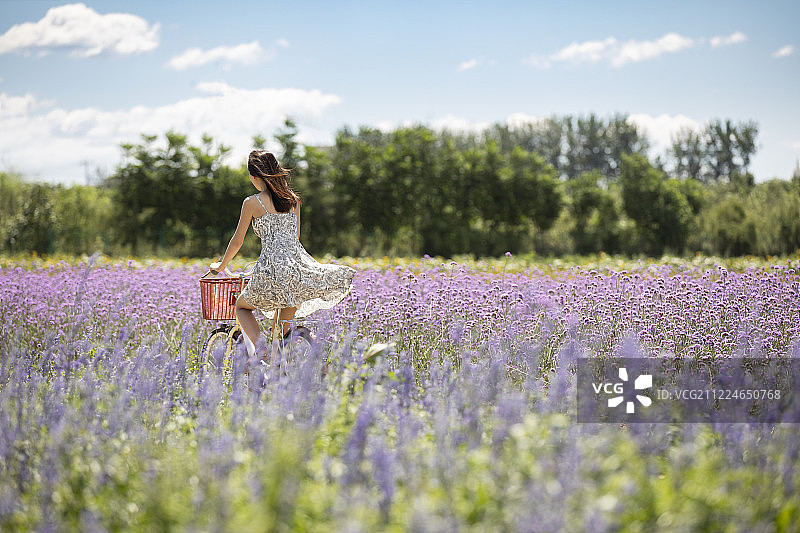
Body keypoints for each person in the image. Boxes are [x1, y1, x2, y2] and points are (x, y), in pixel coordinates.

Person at [209, 150, 355, 359]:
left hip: (270, 268)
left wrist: (221, 266)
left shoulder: (252, 203)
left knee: (241, 306)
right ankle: (303, 361)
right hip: (297, 268)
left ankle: (261, 352)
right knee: (282, 331)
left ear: (254, 177)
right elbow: (294, 239)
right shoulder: (293, 201)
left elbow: (237, 241)